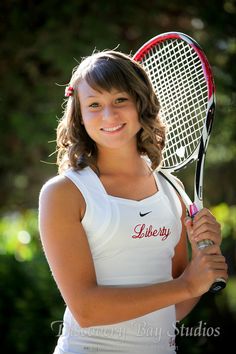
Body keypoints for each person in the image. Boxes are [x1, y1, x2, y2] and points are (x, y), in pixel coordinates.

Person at [38, 50, 228, 354]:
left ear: (142, 103)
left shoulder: (172, 191)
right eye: (94, 105)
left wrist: (204, 260)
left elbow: (174, 308)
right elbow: (87, 310)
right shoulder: (64, 194)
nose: (109, 116)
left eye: (120, 100)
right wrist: (189, 285)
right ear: (80, 116)